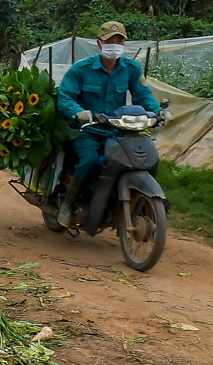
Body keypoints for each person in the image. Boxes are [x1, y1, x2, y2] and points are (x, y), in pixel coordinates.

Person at [53, 21, 161, 228]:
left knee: (147, 158)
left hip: (119, 131)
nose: (115, 44)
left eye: (119, 40)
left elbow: (143, 95)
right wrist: (79, 112)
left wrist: (157, 112)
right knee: (91, 160)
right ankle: (68, 203)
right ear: (99, 43)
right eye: (110, 40)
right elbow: (65, 96)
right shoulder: (81, 69)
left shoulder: (131, 68)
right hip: (88, 131)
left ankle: (138, 203)